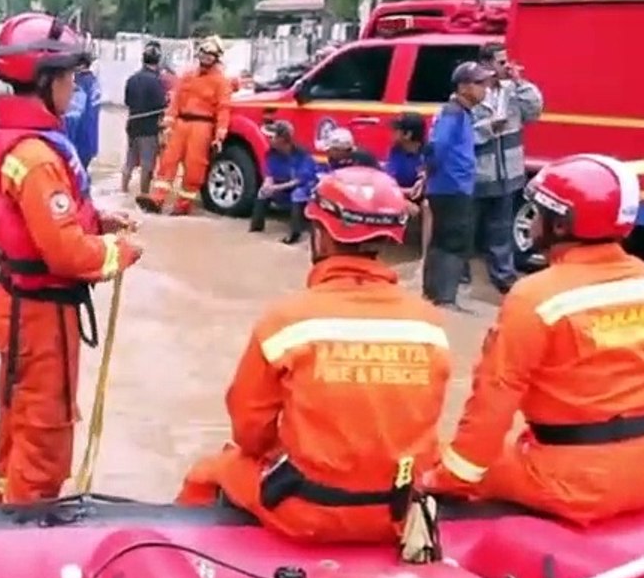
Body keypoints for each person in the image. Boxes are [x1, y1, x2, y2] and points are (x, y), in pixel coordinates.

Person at [177, 166, 451, 543]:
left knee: (208, 472)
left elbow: (250, 431)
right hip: (399, 513)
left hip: (306, 511)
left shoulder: (286, 321)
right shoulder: (429, 324)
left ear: (320, 235)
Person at [424, 154, 644, 526]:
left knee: (433, 463)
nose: (533, 220)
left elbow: (493, 402)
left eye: (538, 212)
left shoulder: (535, 297)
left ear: (559, 225)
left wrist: (447, 478)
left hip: (574, 481)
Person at [0, 12, 144, 503]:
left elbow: (47, 224)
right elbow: (69, 254)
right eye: (69, 78)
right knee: (45, 434)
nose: (75, 88)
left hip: (18, 307)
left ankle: (2, 505)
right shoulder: (37, 159)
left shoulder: (15, 145)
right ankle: (26, 537)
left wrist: (98, 220)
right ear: (45, 80)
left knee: (18, 420)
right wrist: (121, 252)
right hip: (41, 319)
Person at [463, 42, 544, 294]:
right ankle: (460, 275)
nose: (506, 67)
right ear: (486, 64)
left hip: (509, 173)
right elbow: (462, 135)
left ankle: (504, 276)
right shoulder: (472, 92)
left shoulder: (512, 91)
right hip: (478, 174)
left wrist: (521, 82)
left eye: (507, 61)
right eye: (501, 62)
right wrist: (489, 128)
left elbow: (535, 111)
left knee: (501, 228)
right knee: (467, 226)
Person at [423, 61, 490, 311]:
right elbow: (437, 148)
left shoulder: (460, 112)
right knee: (453, 242)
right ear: (463, 87)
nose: (485, 89)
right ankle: (445, 299)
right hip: (452, 187)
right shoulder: (453, 112)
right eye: (479, 83)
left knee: (442, 240)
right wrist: (434, 175)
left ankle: (434, 294)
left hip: (450, 186)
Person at [138, 35, 232, 216]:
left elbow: (223, 109)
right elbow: (175, 102)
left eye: (211, 54)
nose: (206, 57)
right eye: (204, 53)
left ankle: (182, 206)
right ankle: (156, 200)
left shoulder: (221, 81)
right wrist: (167, 125)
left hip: (202, 126)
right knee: (167, 161)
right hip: (181, 123)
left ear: (216, 58)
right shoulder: (188, 76)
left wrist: (220, 135)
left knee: (194, 167)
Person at [250, 120, 316, 244]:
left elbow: (300, 180)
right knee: (262, 192)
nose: (268, 139)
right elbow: (269, 175)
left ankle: (295, 234)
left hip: (303, 188)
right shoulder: (271, 154)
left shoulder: (302, 155)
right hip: (282, 186)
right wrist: (268, 185)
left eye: (272, 137)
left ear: (282, 139)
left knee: (298, 194)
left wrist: (276, 188)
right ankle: (256, 228)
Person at [121, 43, 168, 196]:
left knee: (130, 160)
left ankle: (123, 190)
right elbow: (161, 105)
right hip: (149, 128)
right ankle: (144, 195)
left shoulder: (132, 79)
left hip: (132, 125)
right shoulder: (157, 82)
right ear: (158, 61)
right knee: (147, 165)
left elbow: (127, 101)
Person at [387, 112, 430, 250]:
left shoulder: (428, 152)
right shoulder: (396, 151)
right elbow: (388, 183)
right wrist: (404, 198)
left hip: (424, 196)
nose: (393, 132)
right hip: (401, 194)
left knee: (427, 205)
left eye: (397, 129)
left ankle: (425, 255)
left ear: (408, 134)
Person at [63, 53, 101, 171]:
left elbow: (72, 116)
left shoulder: (79, 85)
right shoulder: (94, 83)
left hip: (78, 141)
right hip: (91, 140)